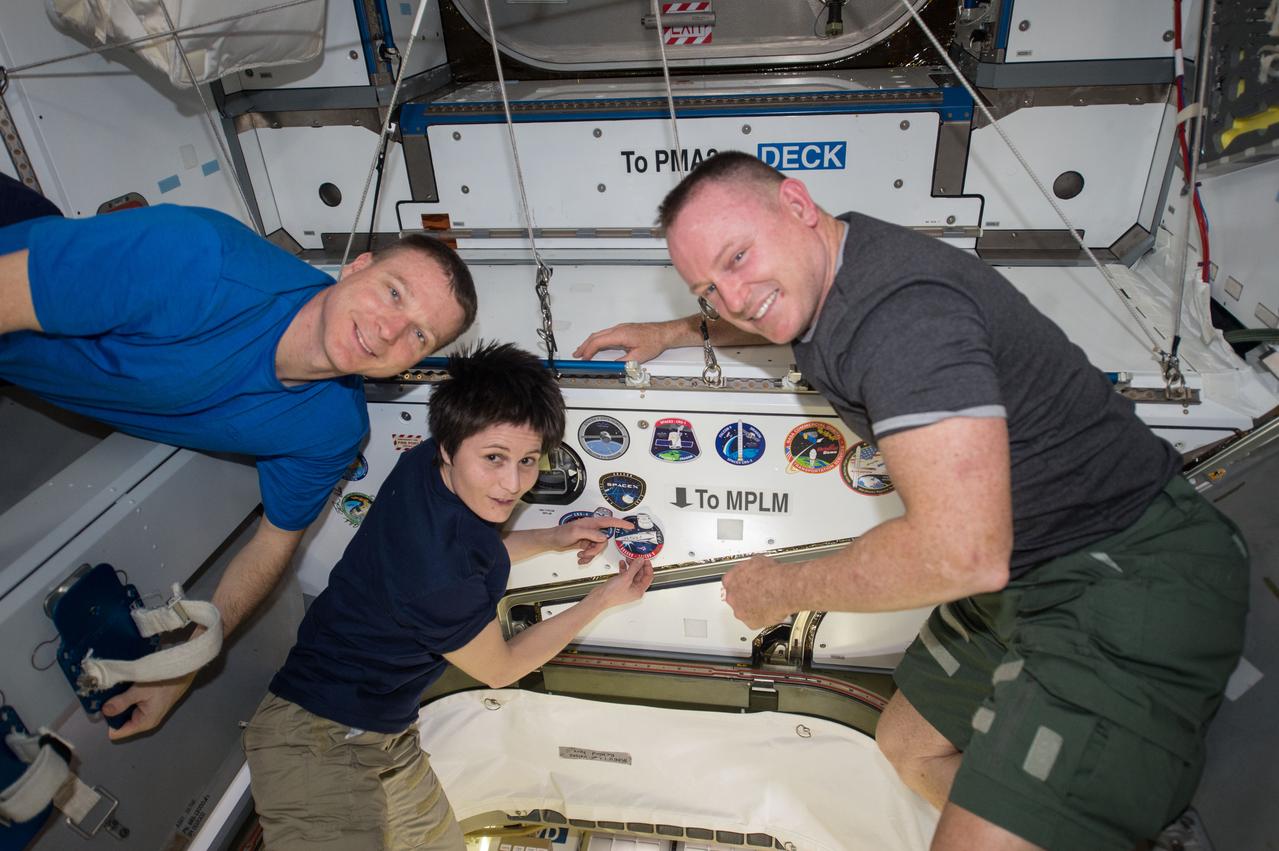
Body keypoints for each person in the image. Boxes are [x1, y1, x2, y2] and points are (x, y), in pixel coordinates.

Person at [575, 151, 1249, 851]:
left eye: (736, 258)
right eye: (706, 287)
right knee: (907, 745)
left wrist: (780, 590)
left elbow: (958, 555)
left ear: (798, 206)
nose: (732, 296)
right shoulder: (835, 265)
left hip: (1125, 571)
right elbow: (754, 306)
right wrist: (673, 331)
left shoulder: (900, 320)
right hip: (1026, 569)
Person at [0, 202, 478, 739]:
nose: (391, 331)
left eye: (419, 336)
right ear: (357, 266)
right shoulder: (201, 262)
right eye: (394, 292)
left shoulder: (334, 429)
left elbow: (274, 545)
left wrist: (186, 663)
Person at [243, 341, 653, 849]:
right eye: (495, 459)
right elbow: (500, 668)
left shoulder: (428, 467)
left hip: (385, 736)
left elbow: (474, 550)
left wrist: (552, 537)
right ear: (449, 446)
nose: (512, 483)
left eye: (528, 460)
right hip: (313, 740)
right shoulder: (439, 575)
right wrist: (601, 601)